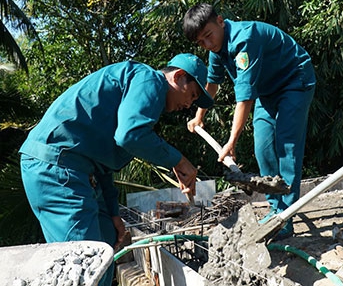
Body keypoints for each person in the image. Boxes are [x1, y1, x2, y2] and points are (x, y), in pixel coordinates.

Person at [19, 53, 213, 286]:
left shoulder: (137, 91)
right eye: (192, 96)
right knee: (85, 265)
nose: (188, 105)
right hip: (57, 168)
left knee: (107, 239)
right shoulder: (150, 80)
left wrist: (113, 211)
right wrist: (178, 160)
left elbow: (104, 164)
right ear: (179, 77)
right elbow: (129, 136)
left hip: (75, 169)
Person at [183, 3, 316, 240]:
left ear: (220, 21)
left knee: (286, 145)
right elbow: (212, 85)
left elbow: (244, 99)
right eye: (200, 42)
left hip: (294, 79)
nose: (208, 44)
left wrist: (231, 141)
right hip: (268, 91)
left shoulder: (245, 40)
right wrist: (199, 116)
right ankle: (276, 208)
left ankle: (285, 217)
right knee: (262, 146)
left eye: (208, 36)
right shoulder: (216, 50)